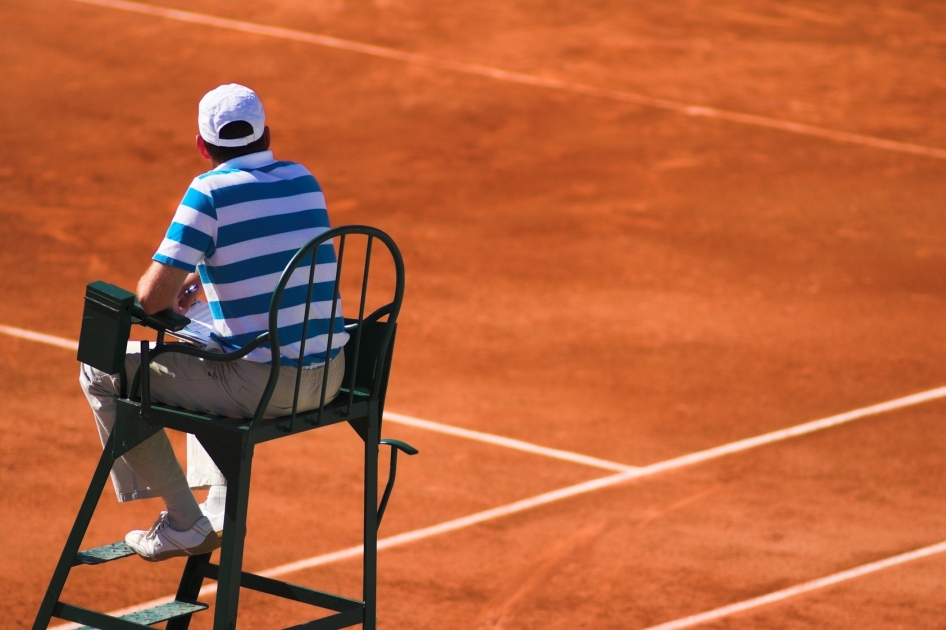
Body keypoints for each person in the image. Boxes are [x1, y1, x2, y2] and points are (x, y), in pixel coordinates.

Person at [80, 84, 348, 562]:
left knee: (102, 371)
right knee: (204, 329)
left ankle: (185, 522)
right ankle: (218, 505)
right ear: (268, 133)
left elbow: (151, 297)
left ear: (202, 146)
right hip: (331, 379)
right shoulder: (304, 178)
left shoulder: (209, 191)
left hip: (263, 388)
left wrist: (177, 298)